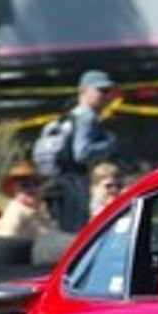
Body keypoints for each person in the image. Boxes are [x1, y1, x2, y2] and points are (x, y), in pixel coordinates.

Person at [47, 69, 120, 233]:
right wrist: (109, 144)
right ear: (84, 91)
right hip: (74, 181)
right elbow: (82, 153)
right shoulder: (87, 117)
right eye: (101, 91)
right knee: (77, 232)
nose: (107, 96)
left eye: (108, 91)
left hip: (58, 181)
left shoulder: (68, 115)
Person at [0, 160, 52, 240]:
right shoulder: (15, 213)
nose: (32, 189)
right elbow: (5, 243)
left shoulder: (42, 212)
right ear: (13, 189)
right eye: (25, 185)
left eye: (36, 184)